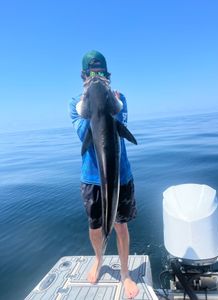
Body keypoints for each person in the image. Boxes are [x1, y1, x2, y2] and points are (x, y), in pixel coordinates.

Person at [69, 50, 139, 299]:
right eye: (92, 74)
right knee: (95, 226)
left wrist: (112, 102)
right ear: (83, 76)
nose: (97, 78)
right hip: (91, 179)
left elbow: (121, 126)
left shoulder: (120, 99)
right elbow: (83, 137)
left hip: (120, 176)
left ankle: (125, 273)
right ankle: (98, 260)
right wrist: (90, 102)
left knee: (121, 225)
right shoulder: (75, 104)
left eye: (103, 74)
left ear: (109, 76)